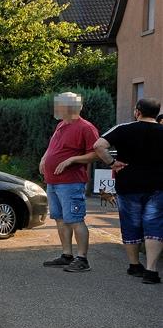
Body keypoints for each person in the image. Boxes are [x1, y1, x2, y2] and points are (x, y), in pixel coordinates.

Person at [93, 98, 163, 284]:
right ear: (156, 113)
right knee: (154, 225)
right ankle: (151, 270)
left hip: (128, 185)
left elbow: (98, 146)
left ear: (138, 111)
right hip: (158, 186)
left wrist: (111, 163)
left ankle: (134, 265)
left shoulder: (123, 129)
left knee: (131, 224)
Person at [39, 92, 100, 272]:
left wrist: (72, 160)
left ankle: (82, 259)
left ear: (69, 108)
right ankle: (67, 255)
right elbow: (52, 147)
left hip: (71, 183)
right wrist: (44, 158)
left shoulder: (86, 128)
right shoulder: (60, 125)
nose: (56, 108)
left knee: (75, 219)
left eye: (59, 106)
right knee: (60, 219)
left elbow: (96, 153)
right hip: (53, 182)